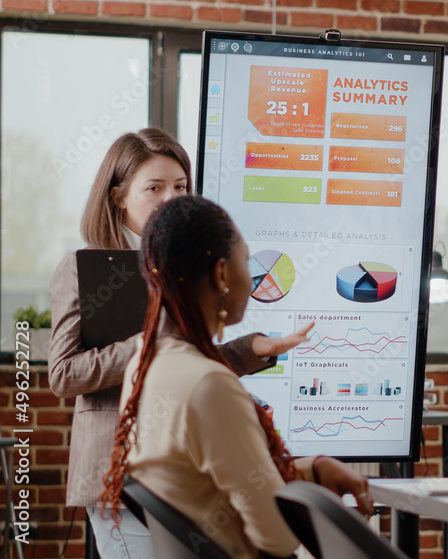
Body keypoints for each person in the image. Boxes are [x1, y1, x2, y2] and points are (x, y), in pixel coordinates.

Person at [47, 129, 307, 557]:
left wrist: (247, 350)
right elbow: (62, 374)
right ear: (118, 197)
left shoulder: (179, 268)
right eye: (155, 188)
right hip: (114, 468)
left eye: (181, 187)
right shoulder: (83, 268)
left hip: (174, 461)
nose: (171, 198)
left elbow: (179, 365)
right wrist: (148, 340)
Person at [99, 195, 373, 558]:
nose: (253, 274)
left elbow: (216, 487)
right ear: (222, 274)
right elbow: (277, 537)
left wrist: (315, 470)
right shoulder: (207, 384)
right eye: (247, 260)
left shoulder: (146, 365)